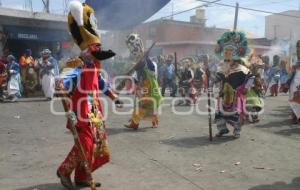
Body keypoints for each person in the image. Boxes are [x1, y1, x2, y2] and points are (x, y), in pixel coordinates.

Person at [55, 1, 116, 189]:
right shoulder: (78, 63)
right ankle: (64, 170)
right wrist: (61, 84)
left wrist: (114, 96)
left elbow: (100, 83)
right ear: (88, 51)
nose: (98, 52)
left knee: (97, 144)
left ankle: (82, 176)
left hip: (94, 110)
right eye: (96, 50)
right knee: (86, 143)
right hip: (81, 110)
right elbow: (65, 77)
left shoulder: (94, 67)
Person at [213, 31, 252, 138]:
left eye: (230, 51)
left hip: (237, 94)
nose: (228, 53)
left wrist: (246, 88)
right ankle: (222, 129)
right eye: (226, 51)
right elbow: (217, 78)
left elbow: (251, 77)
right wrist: (212, 79)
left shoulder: (242, 68)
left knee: (237, 113)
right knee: (220, 112)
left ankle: (237, 131)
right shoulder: (222, 67)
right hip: (223, 94)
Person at [124, 33, 163, 129]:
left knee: (145, 107)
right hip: (143, 88)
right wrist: (135, 83)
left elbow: (152, 70)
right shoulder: (138, 65)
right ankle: (138, 122)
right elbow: (137, 76)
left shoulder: (150, 64)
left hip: (149, 88)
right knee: (142, 106)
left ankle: (137, 123)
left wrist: (146, 58)